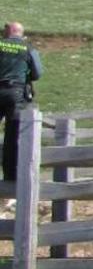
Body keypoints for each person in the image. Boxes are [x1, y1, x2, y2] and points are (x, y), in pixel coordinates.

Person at [0, 22, 44, 182]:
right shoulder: (28, 48)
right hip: (16, 93)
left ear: (8, 32)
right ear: (20, 33)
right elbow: (37, 73)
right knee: (12, 136)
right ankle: (10, 178)